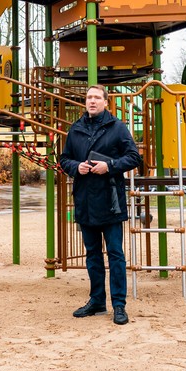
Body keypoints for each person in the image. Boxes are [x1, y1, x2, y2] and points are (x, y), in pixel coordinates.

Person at [59, 85, 142, 326]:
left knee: (115, 254)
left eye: (97, 97)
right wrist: (77, 167)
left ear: (106, 102)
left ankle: (119, 305)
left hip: (110, 200)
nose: (92, 101)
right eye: (89, 97)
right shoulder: (75, 129)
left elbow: (134, 157)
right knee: (92, 254)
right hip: (85, 200)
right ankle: (97, 301)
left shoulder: (117, 127)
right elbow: (64, 159)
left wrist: (110, 166)